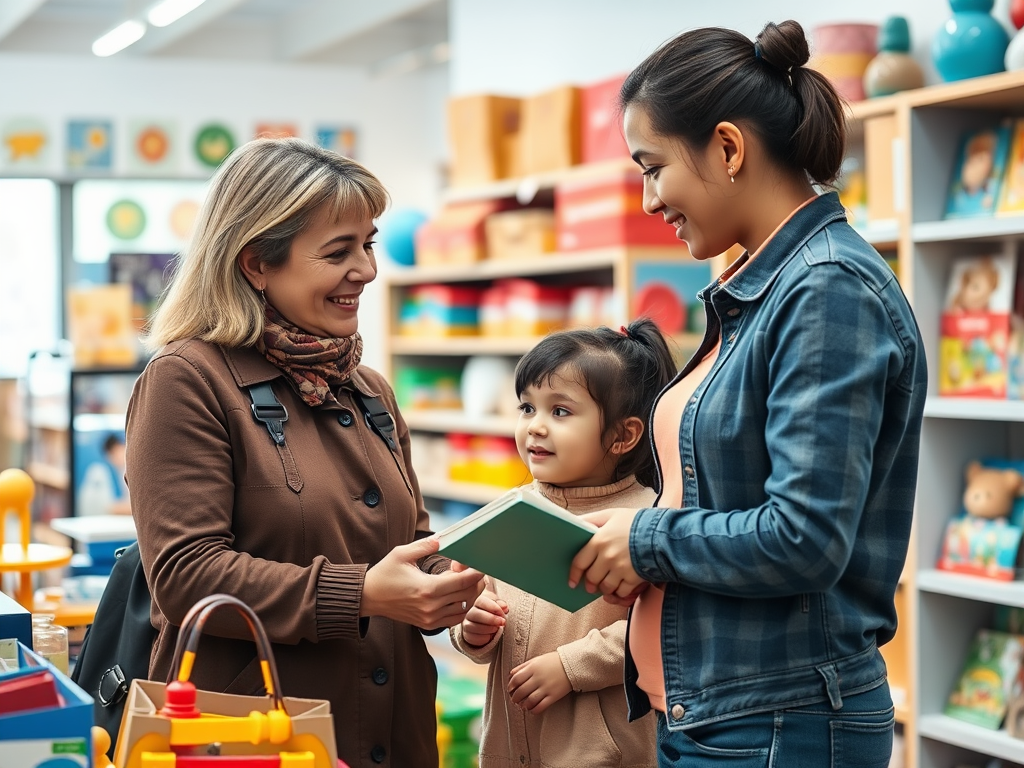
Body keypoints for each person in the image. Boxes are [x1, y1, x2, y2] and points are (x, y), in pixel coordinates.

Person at [567, 20, 928, 768]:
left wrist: (645, 541)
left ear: (728, 148)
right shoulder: (760, 291)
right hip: (722, 717)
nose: (648, 198)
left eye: (653, 166)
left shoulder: (826, 291)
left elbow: (805, 536)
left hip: (776, 725)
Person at [125, 137, 486, 768]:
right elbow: (187, 577)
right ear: (256, 262)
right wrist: (366, 594)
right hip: (255, 737)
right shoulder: (188, 381)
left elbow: (409, 541)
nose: (368, 271)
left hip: (393, 730)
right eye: (338, 252)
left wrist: (447, 596)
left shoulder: (368, 389)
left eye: (369, 244)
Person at [450, 318, 676, 768]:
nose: (535, 426)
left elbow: (664, 628)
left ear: (623, 435)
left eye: (560, 411)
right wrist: (470, 630)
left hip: (601, 753)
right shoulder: (508, 511)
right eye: (527, 408)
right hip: (509, 746)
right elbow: (473, 603)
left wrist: (572, 668)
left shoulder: (651, 518)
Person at [78, 432, 131, 516]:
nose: (112, 460)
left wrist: (111, 508)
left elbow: (133, 507)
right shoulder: (121, 470)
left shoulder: (129, 467)